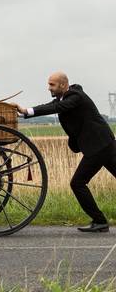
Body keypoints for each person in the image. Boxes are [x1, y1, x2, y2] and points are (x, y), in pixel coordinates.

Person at [13, 71, 116, 233]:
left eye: (52, 84)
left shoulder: (75, 96)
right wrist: (24, 112)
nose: (49, 88)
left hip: (98, 146)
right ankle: (100, 221)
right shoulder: (65, 97)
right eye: (49, 84)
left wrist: (27, 111)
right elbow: (49, 105)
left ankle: (100, 221)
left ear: (63, 84)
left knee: (77, 183)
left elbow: (56, 107)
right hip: (104, 144)